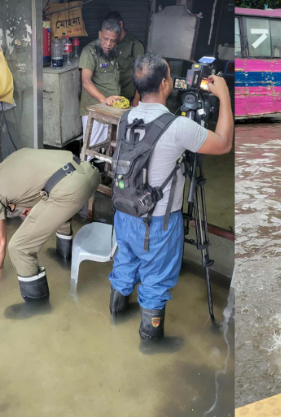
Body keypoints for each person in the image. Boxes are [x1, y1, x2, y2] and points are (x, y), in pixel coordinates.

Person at [108, 53, 233, 345]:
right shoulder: (178, 127)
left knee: (124, 264)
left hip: (124, 213)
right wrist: (224, 97)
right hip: (158, 224)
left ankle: (114, 317)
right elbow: (224, 144)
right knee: (156, 280)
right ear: (166, 83)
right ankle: (150, 344)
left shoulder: (126, 116)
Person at [0, 149, 100, 316]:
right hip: (90, 174)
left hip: (69, 191)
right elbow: (47, 180)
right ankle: (64, 257)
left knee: (18, 247)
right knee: (59, 208)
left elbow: (0, 242)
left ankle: (38, 304)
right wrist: (34, 205)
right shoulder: (15, 157)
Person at [79, 19, 124, 153]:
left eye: (113, 40)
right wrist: (103, 99)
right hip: (95, 109)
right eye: (105, 39)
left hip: (111, 110)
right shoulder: (89, 52)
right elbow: (86, 81)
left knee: (108, 150)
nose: (108, 44)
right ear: (100, 34)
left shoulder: (114, 53)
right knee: (91, 152)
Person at [104, 11, 144, 106]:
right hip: (110, 96)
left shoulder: (135, 44)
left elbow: (141, 73)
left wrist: (137, 97)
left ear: (121, 24)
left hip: (127, 97)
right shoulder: (109, 43)